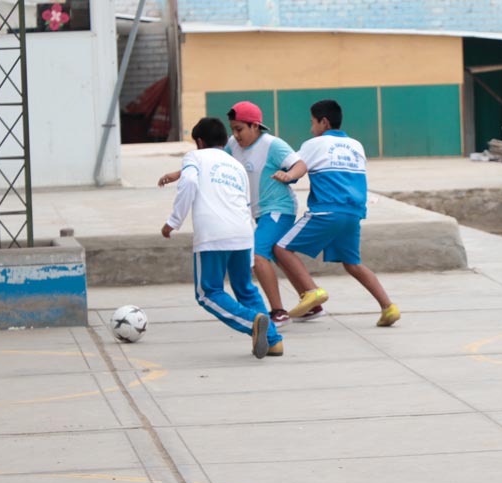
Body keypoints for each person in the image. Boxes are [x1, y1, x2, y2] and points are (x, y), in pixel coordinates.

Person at [159, 102, 326, 327]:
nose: (235, 135)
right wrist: (177, 174)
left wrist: (289, 176)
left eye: (239, 129)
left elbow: (300, 164)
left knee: (258, 255)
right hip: (258, 212)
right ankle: (312, 304)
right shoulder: (232, 146)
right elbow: (209, 159)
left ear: (255, 126)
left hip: (278, 209)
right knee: (276, 253)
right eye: (232, 129)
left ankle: (278, 312)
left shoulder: (272, 144)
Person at [273, 99, 400, 327]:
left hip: (327, 210)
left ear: (323, 122)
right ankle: (388, 307)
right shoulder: (356, 145)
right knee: (353, 263)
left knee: (281, 248)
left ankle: (311, 292)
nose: (311, 128)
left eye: (312, 123)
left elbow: (297, 166)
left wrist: (288, 175)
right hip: (353, 213)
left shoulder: (315, 143)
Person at [160, 117, 280, 357]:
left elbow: (190, 181)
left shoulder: (194, 157)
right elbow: (246, 204)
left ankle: (251, 322)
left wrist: (173, 221)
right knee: (245, 288)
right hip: (243, 232)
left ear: (199, 142)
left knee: (208, 292)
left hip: (213, 235)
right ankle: (274, 340)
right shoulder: (235, 164)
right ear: (225, 141)